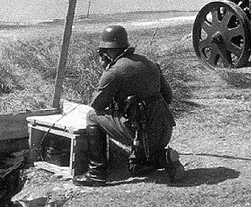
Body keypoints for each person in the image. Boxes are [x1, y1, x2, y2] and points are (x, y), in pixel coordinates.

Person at [72, 25, 184, 186]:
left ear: (106, 50)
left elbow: (96, 104)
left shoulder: (115, 71)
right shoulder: (149, 62)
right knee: (136, 168)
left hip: (142, 136)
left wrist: (106, 70)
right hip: (164, 131)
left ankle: (96, 173)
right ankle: (165, 158)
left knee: (92, 117)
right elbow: (168, 97)